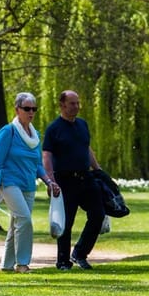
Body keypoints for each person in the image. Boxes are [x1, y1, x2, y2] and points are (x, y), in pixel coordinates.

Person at [0, 93, 57, 273]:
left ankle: (7, 265)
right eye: (27, 109)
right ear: (17, 110)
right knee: (24, 220)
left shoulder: (35, 135)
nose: (31, 112)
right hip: (9, 183)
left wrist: (49, 181)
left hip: (28, 185)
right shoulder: (8, 131)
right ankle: (22, 263)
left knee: (15, 223)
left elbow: (38, 164)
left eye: (34, 109)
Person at [42, 90, 106, 270]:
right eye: (72, 103)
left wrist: (98, 170)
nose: (76, 106)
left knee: (98, 214)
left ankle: (80, 253)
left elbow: (87, 149)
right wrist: (50, 181)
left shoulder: (82, 125)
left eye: (78, 103)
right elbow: (46, 155)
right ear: (62, 105)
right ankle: (63, 261)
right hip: (64, 180)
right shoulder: (54, 128)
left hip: (85, 178)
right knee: (66, 221)